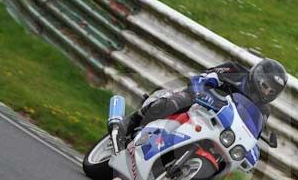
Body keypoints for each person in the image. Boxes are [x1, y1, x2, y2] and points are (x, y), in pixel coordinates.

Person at [121, 58, 288, 139]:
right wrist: (202, 91)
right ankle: (130, 125)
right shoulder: (234, 69)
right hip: (198, 101)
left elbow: (254, 130)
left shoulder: (264, 110)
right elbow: (204, 76)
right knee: (174, 102)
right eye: (265, 86)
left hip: (219, 126)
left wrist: (261, 138)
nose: (266, 92)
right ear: (257, 75)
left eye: (271, 91)